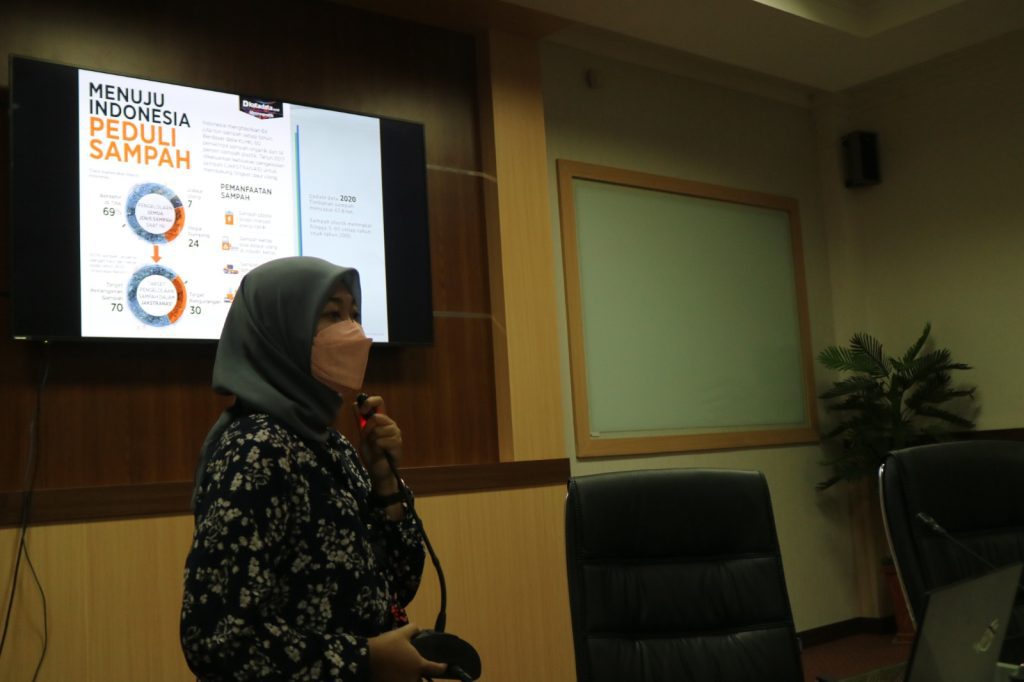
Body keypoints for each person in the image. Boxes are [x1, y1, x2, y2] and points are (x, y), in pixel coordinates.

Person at [180, 256, 446, 681]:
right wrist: (364, 659)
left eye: (354, 314)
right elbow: (218, 640)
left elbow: (397, 583)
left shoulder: (329, 443)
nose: (353, 331)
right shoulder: (256, 449)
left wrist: (384, 482)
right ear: (281, 329)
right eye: (332, 314)